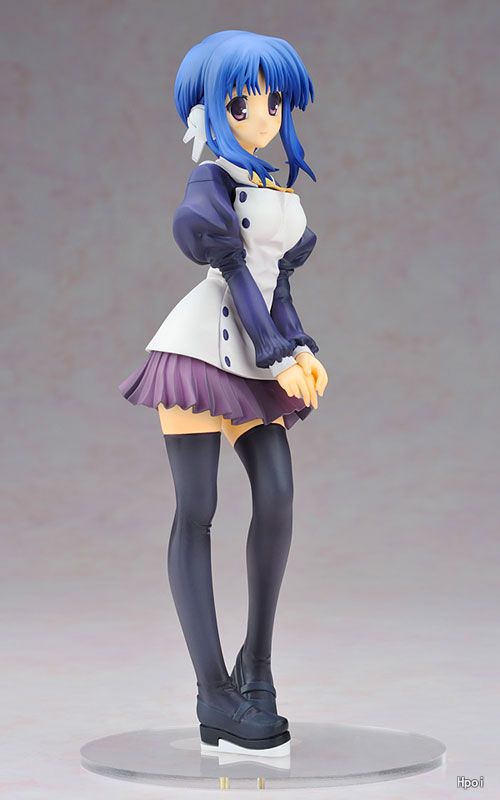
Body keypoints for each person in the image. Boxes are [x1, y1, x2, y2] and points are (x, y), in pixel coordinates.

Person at [118, 30, 329, 755]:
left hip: (255, 350)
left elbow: (277, 288)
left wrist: (300, 347)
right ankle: (214, 693)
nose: (262, 116)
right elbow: (236, 275)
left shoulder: (277, 191)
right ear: (212, 108)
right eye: (242, 104)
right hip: (201, 349)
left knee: (277, 494)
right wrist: (277, 354)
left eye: (272, 102)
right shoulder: (212, 182)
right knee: (197, 510)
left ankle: (256, 668)